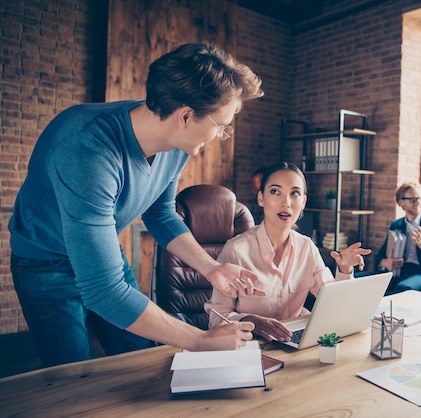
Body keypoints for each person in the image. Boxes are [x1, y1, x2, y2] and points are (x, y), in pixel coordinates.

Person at [9, 43, 266, 368]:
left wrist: (211, 268)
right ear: (185, 116)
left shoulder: (176, 143)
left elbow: (160, 214)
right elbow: (104, 291)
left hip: (102, 255)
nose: (221, 134)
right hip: (45, 263)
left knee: (140, 358)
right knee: (69, 377)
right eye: (221, 125)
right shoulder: (87, 151)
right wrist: (201, 340)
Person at [207, 162, 371, 342]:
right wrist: (250, 321)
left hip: (293, 345)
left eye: (295, 193)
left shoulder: (307, 248)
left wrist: (345, 269)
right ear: (261, 198)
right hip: (248, 346)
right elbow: (216, 319)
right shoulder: (236, 250)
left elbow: (335, 306)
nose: (286, 203)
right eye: (275, 192)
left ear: (303, 202)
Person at [374, 182, 421, 295]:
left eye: (420, 198)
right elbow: (380, 256)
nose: (418, 203)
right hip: (399, 270)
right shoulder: (396, 225)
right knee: (360, 280)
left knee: (403, 288)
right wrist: (385, 262)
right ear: (401, 203)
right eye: (413, 199)